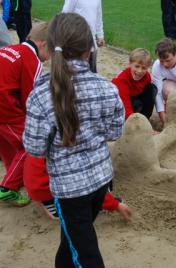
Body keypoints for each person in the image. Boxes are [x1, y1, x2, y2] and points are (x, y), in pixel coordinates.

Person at [23, 13, 124, 267]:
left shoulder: (40, 96)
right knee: (74, 241)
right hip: (102, 180)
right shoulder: (107, 87)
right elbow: (114, 132)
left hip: (70, 190)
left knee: (86, 253)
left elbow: (34, 147)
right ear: (90, 49)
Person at [0, 22, 49, 206]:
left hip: (3, 104)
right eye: (51, 52)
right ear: (43, 43)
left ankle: (13, 177)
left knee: (6, 143)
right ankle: (8, 188)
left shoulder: (11, 48)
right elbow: (31, 98)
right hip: (5, 108)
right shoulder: (32, 60)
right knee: (30, 143)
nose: (49, 57)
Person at [23, 155, 132, 221]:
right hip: (50, 190)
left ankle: (48, 203)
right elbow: (85, 183)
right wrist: (115, 205)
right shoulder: (70, 149)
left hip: (38, 186)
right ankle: (54, 205)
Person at [112, 48, 157, 120]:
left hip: (133, 96)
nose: (139, 71)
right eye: (137, 66)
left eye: (144, 68)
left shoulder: (147, 76)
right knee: (135, 104)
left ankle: (145, 118)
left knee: (152, 89)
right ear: (130, 64)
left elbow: (148, 97)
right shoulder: (122, 80)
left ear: (148, 68)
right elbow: (125, 105)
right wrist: (133, 122)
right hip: (118, 103)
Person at [62, 0, 105, 73]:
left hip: (91, 39)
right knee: (74, 68)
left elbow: (98, 16)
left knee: (91, 69)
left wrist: (100, 35)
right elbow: (65, 15)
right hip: (76, 39)